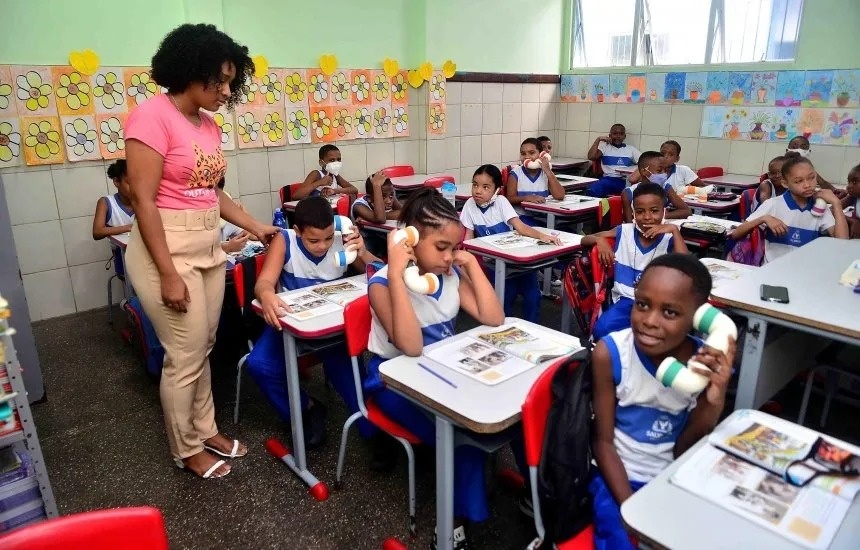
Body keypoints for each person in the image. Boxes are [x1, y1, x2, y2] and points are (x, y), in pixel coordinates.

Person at [124, 23, 278, 479]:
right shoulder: (151, 117)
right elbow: (144, 201)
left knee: (204, 347)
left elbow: (210, 193)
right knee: (185, 354)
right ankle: (187, 449)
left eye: (232, 81)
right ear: (192, 71)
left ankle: (206, 429)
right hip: (166, 251)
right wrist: (168, 273)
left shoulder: (207, 125)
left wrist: (254, 226)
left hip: (208, 246)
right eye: (220, 80)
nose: (227, 91)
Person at [365, 188, 507, 549]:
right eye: (441, 247)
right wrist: (397, 275)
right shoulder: (381, 285)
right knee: (461, 435)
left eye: (454, 247)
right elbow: (411, 347)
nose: (449, 256)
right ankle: (452, 525)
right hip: (391, 381)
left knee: (486, 418)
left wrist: (471, 265)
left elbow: (494, 317)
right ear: (410, 241)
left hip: (440, 372)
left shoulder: (450, 274)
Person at [590, 253, 734, 550]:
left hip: (672, 476)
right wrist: (631, 511)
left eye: (670, 312)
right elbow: (602, 443)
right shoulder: (611, 354)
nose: (649, 322)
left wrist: (713, 401)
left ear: (698, 317)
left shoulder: (703, 364)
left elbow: (684, 448)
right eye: (642, 305)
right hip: (618, 478)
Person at [248, 196, 380, 447]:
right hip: (290, 327)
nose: (323, 246)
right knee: (260, 365)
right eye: (314, 240)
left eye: (328, 238)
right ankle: (305, 409)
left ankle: (372, 432)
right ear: (298, 231)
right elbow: (264, 282)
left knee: (350, 377)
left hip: (332, 330)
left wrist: (362, 251)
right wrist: (266, 295)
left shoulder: (343, 239)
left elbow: (380, 273)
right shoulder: (285, 240)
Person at [583, 183, 689, 342]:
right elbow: (585, 239)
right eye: (640, 212)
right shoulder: (624, 231)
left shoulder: (670, 238)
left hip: (658, 304)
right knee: (602, 330)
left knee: (658, 337)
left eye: (654, 211)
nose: (647, 217)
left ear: (664, 211)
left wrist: (674, 230)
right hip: (626, 301)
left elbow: (687, 267)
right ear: (633, 213)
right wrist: (600, 241)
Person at [460, 164, 561, 322]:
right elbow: (468, 239)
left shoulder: (501, 202)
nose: (478, 191)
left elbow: (520, 227)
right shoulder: (469, 205)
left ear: (497, 190)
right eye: (475, 185)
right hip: (494, 262)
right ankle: (505, 326)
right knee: (505, 296)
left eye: (485, 187)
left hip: (517, 259)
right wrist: (464, 265)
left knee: (532, 296)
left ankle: (532, 327)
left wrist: (542, 236)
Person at [729, 156, 848, 264]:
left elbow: (842, 243)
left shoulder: (819, 207)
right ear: (785, 183)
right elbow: (735, 234)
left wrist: (836, 204)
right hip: (773, 270)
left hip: (806, 270)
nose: (807, 185)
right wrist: (764, 218)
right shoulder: (773, 204)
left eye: (811, 178)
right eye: (798, 181)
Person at [505, 137, 565, 225]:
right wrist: (527, 198)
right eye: (523, 154)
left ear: (541, 155)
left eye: (532, 153)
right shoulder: (515, 173)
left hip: (543, 216)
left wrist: (548, 171)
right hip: (522, 217)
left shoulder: (545, 172)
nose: (527, 157)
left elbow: (560, 195)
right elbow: (510, 199)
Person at [620, 151, 692, 223]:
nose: (664, 174)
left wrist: (663, 215)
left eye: (666, 170)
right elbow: (629, 223)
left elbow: (686, 211)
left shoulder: (666, 188)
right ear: (644, 171)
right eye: (659, 170)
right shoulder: (628, 193)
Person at [586, 124, 640, 197]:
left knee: (596, 188)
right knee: (592, 189)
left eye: (621, 134)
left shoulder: (631, 149)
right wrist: (598, 139)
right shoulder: (605, 147)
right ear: (610, 135)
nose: (618, 136)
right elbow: (591, 157)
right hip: (607, 178)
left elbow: (644, 162)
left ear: (624, 136)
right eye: (615, 133)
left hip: (624, 180)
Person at [292, 144, 359, 200]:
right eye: (332, 160)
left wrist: (334, 191)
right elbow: (296, 196)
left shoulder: (335, 175)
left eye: (338, 159)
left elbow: (354, 190)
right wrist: (319, 182)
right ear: (321, 163)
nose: (336, 163)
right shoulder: (316, 174)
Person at [92, 160, 134, 240]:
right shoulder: (106, 203)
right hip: (120, 248)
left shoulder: (145, 202)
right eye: (130, 183)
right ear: (116, 181)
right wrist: (129, 228)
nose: (135, 187)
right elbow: (97, 232)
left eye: (138, 183)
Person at [215, 177, 250, 254]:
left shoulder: (224, 220)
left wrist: (243, 213)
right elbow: (198, 250)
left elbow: (252, 234)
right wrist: (228, 247)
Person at [842, 163, 860, 239]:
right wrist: (851, 221)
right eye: (848, 182)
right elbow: (832, 209)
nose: (849, 186)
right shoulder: (854, 197)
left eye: (855, 182)